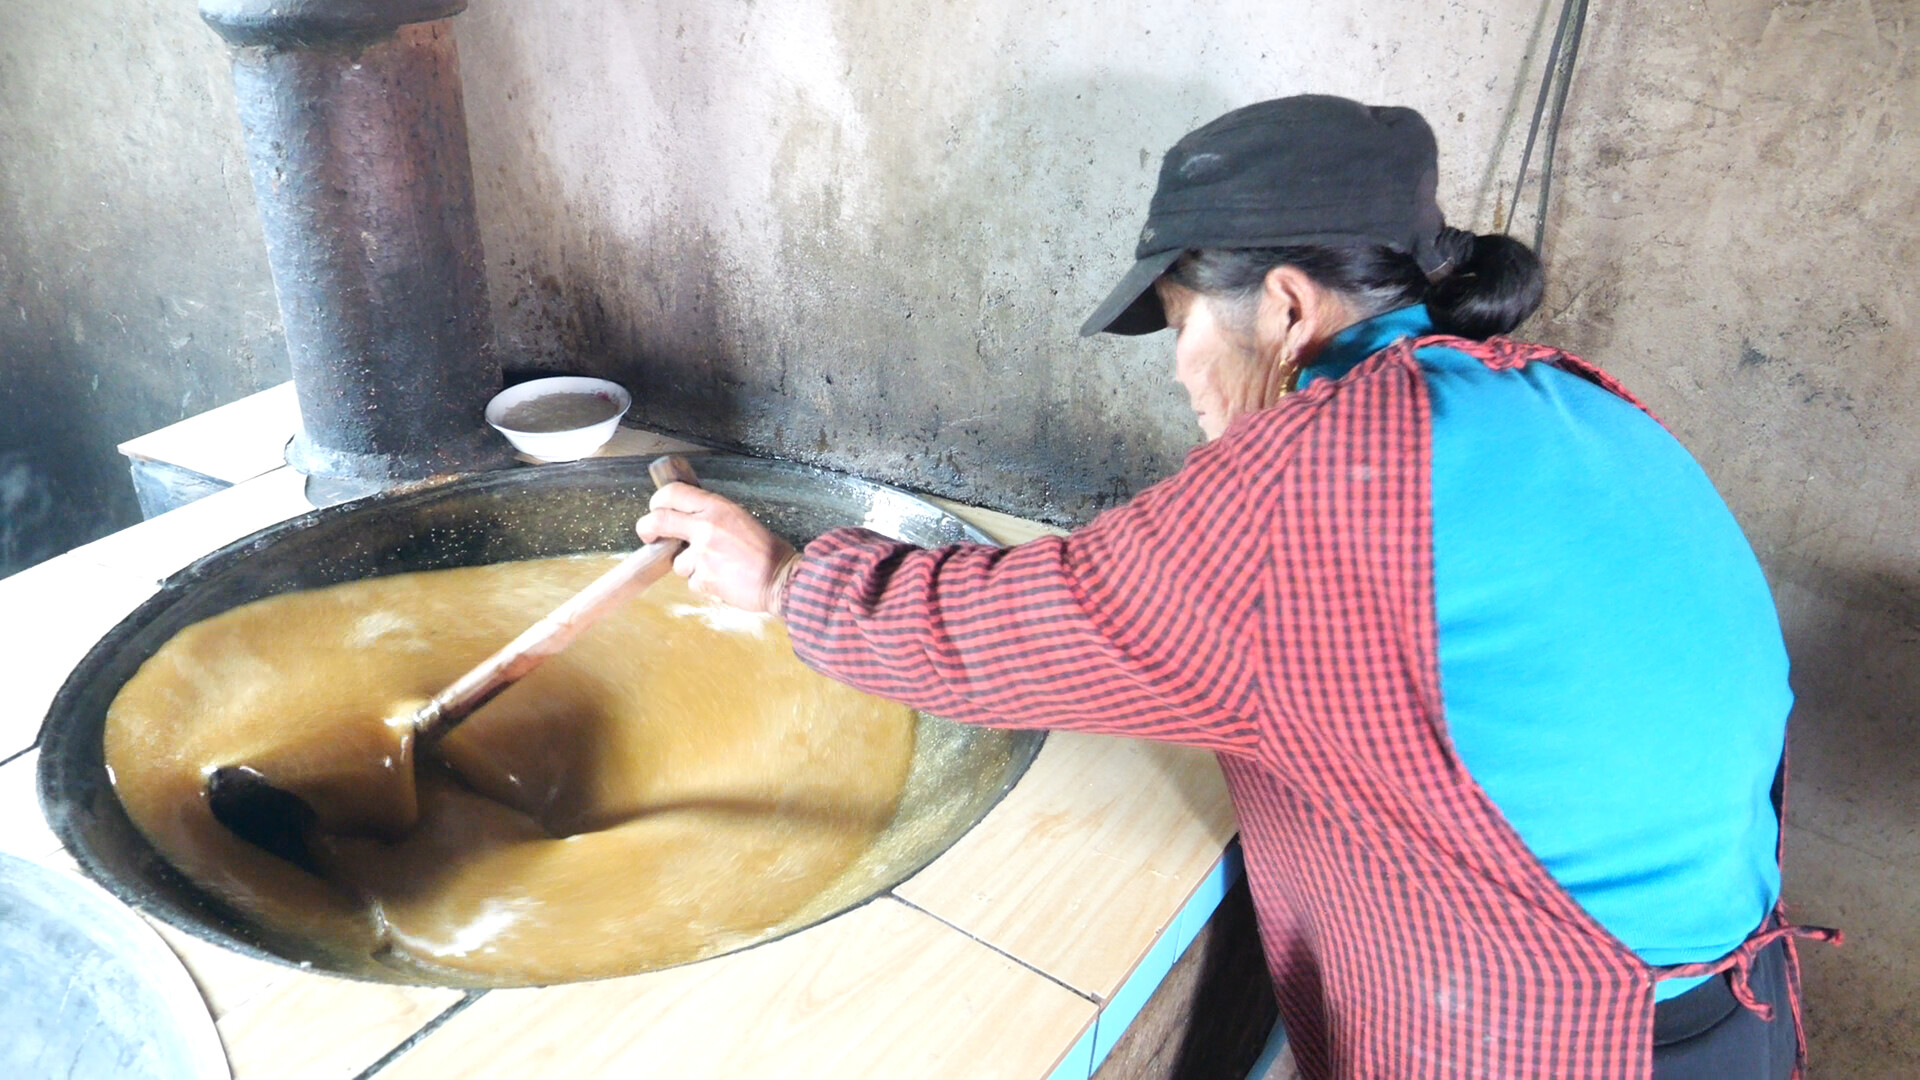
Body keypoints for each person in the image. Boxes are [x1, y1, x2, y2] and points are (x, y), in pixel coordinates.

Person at [637, 95, 1836, 1079]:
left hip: (1552, 1041)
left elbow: (996, 636)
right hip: (1735, 1011)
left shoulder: (1318, 482)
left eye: (1177, 327)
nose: (1184, 376)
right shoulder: (1557, 400)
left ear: (1285, 306)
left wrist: (787, 578)